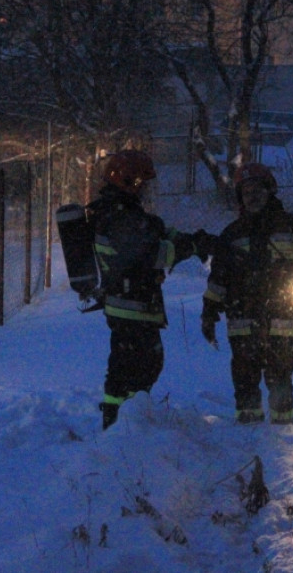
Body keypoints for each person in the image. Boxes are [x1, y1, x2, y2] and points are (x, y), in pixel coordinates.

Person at [88, 149, 209, 429]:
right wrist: (188, 247)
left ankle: (126, 421)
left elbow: (156, 233)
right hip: (129, 303)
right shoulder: (120, 215)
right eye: (142, 181)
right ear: (128, 181)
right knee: (136, 365)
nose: (146, 188)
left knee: (138, 364)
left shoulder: (125, 212)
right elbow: (154, 253)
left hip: (133, 301)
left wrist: (195, 240)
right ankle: (120, 425)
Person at [201, 163, 293, 425]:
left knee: (280, 379)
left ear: (270, 191)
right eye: (247, 191)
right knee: (244, 380)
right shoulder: (232, 235)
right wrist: (209, 312)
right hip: (242, 320)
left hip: (282, 319)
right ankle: (248, 432)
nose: (252, 196)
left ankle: (283, 433)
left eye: (258, 190)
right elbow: (218, 279)